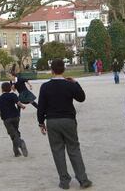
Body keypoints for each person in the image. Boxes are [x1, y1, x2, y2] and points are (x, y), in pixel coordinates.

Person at [37, 59, 92, 190]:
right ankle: (83, 179)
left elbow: (41, 107)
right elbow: (81, 98)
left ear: (52, 70)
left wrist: (40, 122)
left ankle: (64, 180)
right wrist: (76, 83)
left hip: (52, 121)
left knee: (57, 151)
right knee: (74, 149)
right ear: (64, 70)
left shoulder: (45, 86)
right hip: (68, 120)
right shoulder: (69, 85)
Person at [0, 82, 28, 157]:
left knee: (13, 135)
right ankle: (16, 152)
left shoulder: (0, 98)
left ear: (2, 89)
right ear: (10, 88)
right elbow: (18, 102)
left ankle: (20, 143)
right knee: (15, 132)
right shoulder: (13, 95)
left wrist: (1, 115)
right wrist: (22, 106)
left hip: (7, 118)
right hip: (15, 117)